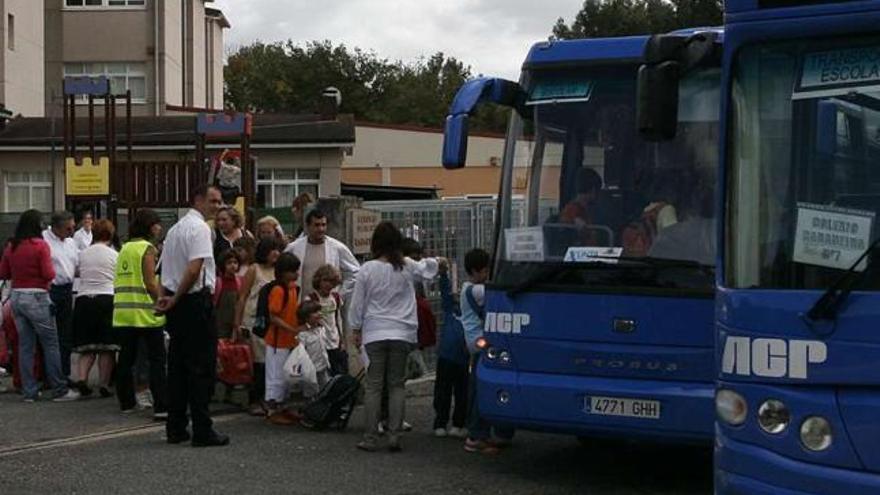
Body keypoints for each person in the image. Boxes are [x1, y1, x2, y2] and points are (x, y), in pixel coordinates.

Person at [349, 222, 439, 452]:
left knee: (374, 386)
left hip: (375, 332)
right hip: (402, 332)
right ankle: (394, 435)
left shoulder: (367, 269)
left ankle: (370, 437)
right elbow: (428, 269)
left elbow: (357, 304)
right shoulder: (406, 265)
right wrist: (439, 262)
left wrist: (356, 329)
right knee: (397, 385)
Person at [155, 185, 229, 447]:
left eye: (220, 201)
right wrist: (174, 298)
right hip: (194, 301)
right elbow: (195, 267)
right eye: (213, 201)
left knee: (177, 366)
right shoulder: (200, 229)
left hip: (177, 300)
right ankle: (202, 429)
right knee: (201, 368)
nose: (218, 206)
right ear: (198, 200)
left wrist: (165, 296)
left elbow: (163, 268)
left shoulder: (175, 229)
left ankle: (176, 426)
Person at [0, 210, 79, 402]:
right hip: (38, 295)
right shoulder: (40, 245)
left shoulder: (12, 246)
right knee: (51, 343)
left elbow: (4, 271)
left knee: (26, 346)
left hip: (17, 296)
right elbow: (49, 273)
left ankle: (29, 391)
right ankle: (59, 389)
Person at [113, 209, 169, 419]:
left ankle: (126, 402)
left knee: (126, 359)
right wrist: (161, 301)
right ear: (148, 226)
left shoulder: (125, 248)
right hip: (146, 312)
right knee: (156, 360)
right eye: (156, 224)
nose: (159, 228)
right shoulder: (147, 249)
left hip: (123, 313)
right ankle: (162, 406)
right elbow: (149, 281)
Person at [461, 248, 514, 454]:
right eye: (485, 271)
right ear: (475, 271)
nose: (487, 276)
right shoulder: (476, 291)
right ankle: (477, 436)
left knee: (477, 388)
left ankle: (484, 433)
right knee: (481, 390)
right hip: (481, 344)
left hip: (474, 344)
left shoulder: (466, 288)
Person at [234, 237, 284, 416]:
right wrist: (237, 323)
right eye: (272, 250)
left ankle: (270, 398)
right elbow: (242, 297)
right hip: (254, 320)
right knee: (257, 363)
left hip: (273, 320)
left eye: (278, 250)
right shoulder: (254, 269)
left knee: (272, 362)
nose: (276, 254)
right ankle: (255, 399)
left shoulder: (279, 271)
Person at [72, 219, 119, 398]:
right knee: (106, 347)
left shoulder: (83, 254)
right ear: (111, 234)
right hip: (106, 298)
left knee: (87, 346)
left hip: (84, 299)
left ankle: (82, 378)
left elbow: (76, 272)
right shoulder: (114, 255)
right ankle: (104, 384)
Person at [263, 253, 302, 425]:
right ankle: (272, 410)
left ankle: (282, 407)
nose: (296, 274)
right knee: (276, 377)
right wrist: (292, 328)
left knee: (286, 377)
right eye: (292, 271)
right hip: (277, 342)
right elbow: (273, 317)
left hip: (287, 340)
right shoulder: (279, 290)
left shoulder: (293, 288)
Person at [432, 259, 470, 439]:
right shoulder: (454, 309)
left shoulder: (459, 310)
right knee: (448, 392)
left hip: (457, 357)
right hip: (453, 356)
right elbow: (446, 292)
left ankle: (452, 423)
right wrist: (443, 274)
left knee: (456, 392)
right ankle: (445, 422)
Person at [43, 210, 79, 381]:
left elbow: (76, 263)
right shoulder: (44, 240)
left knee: (65, 334)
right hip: (51, 289)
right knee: (49, 336)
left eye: (72, 228)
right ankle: (48, 375)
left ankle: (64, 373)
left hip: (67, 288)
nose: (71, 232)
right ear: (57, 227)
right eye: (68, 229)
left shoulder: (71, 242)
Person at [305, 264, 347, 376]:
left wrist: (342, 340)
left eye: (332, 282)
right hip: (320, 344)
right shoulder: (311, 299)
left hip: (335, 341)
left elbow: (338, 319)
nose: (328, 284)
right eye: (325, 280)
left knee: (339, 373)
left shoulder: (336, 298)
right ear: (319, 280)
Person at [296, 300, 330, 396]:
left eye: (319, 311)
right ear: (306, 317)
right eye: (315, 312)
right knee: (311, 394)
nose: (319, 314)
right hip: (310, 370)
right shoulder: (302, 334)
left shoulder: (321, 329)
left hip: (323, 367)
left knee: (325, 391)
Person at [213, 250, 242, 340]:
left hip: (234, 319)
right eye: (229, 263)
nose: (233, 265)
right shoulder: (218, 281)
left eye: (235, 262)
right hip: (220, 320)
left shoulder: (239, 281)